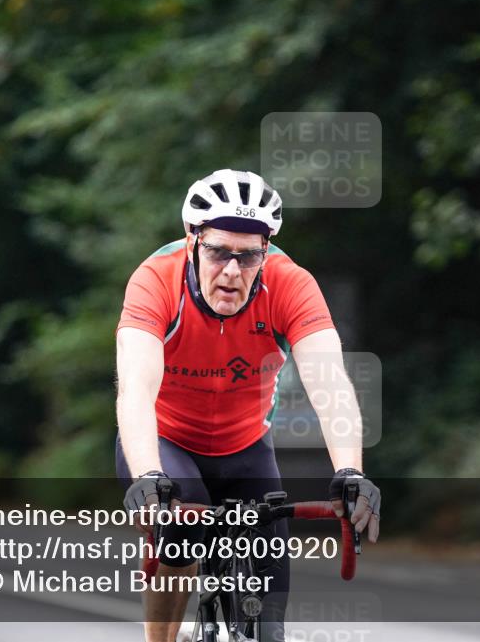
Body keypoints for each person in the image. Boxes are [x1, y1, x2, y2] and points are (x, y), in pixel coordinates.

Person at [115, 169, 381, 642]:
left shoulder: (290, 284)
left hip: (246, 447)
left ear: (266, 252)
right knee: (182, 529)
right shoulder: (155, 280)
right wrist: (148, 477)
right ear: (193, 241)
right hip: (166, 439)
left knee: (269, 629)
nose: (233, 272)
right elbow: (135, 389)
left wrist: (351, 472)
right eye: (219, 252)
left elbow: (331, 385)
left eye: (249, 255)